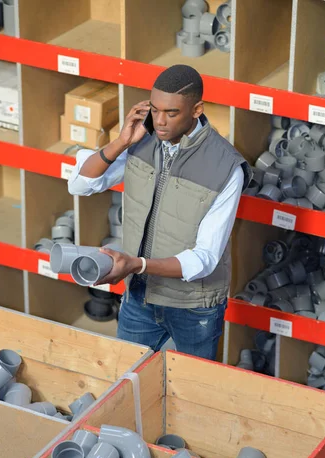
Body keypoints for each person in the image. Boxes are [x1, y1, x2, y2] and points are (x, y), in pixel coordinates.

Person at [68, 64, 251, 360]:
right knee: (126, 383)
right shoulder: (142, 141)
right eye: (154, 110)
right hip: (139, 296)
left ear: (197, 109)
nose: (160, 121)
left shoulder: (226, 167)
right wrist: (121, 141)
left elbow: (203, 259)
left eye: (171, 113)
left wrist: (136, 264)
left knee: (191, 390)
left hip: (194, 306)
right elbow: (80, 184)